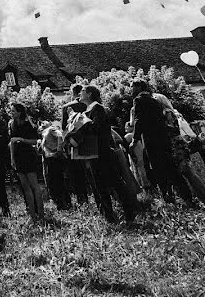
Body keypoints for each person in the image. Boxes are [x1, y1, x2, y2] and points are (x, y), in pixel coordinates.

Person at [70, 86, 136, 224]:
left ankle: (130, 212)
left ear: (89, 94)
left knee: (116, 183)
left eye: (82, 92)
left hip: (104, 152)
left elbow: (97, 128)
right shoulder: (88, 111)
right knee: (100, 187)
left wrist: (81, 126)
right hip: (93, 153)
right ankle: (110, 218)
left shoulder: (98, 109)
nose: (79, 95)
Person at [130, 80, 194, 203]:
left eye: (132, 88)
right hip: (163, 138)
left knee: (158, 169)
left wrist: (135, 139)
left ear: (138, 87)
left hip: (151, 140)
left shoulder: (138, 100)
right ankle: (187, 196)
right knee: (171, 168)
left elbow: (139, 121)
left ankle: (168, 197)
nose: (131, 90)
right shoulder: (155, 101)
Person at [9, 104, 44, 223]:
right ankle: (32, 215)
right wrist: (12, 159)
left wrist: (22, 140)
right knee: (25, 187)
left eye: (13, 111)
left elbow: (35, 141)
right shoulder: (11, 124)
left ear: (19, 112)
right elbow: (12, 143)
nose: (11, 112)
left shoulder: (28, 124)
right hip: (18, 158)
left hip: (28, 156)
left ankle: (41, 214)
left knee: (34, 186)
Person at [61, 86, 90, 204]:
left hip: (74, 144)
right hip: (89, 142)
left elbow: (64, 128)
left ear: (73, 93)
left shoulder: (67, 107)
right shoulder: (89, 104)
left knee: (77, 173)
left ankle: (82, 199)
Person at [40, 123, 71, 211]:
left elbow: (60, 135)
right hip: (49, 159)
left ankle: (64, 204)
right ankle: (61, 204)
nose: (41, 125)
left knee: (57, 182)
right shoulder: (44, 134)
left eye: (43, 124)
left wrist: (59, 149)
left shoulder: (50, 129)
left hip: (54, 159)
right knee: (53, 182)